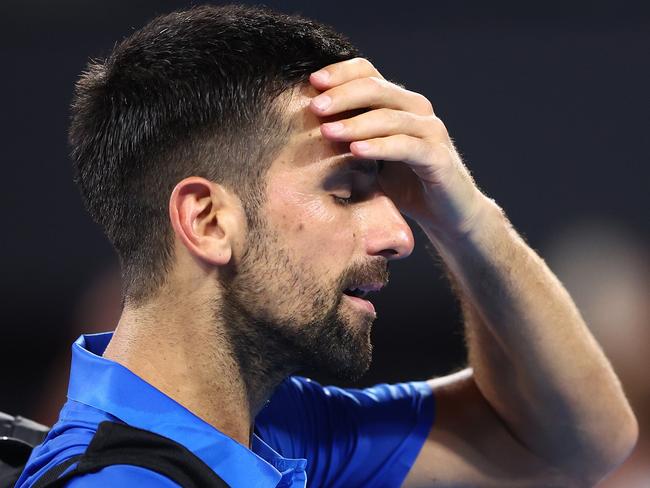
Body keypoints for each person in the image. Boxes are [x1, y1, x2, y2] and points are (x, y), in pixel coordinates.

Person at [16, 4, 637, 487]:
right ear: (207, 220)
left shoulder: (277, 430)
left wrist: (463, 216)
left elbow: (576, 444)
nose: (398, 236)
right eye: (345, 192)